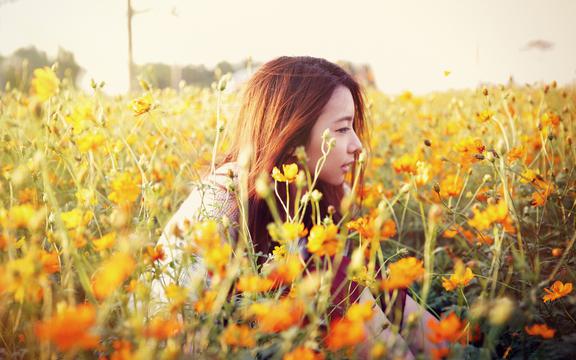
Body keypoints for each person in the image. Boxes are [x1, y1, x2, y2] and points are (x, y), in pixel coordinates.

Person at [151, 56, 439, 358]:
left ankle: (454, 349)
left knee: (364, 275)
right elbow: (181, 329)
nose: (357, 145)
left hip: (260, 330)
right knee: (330, 275)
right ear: (291, 136)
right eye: (341, 130)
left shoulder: (307, 190)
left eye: (352, 127)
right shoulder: (223, 200)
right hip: (205, 345)